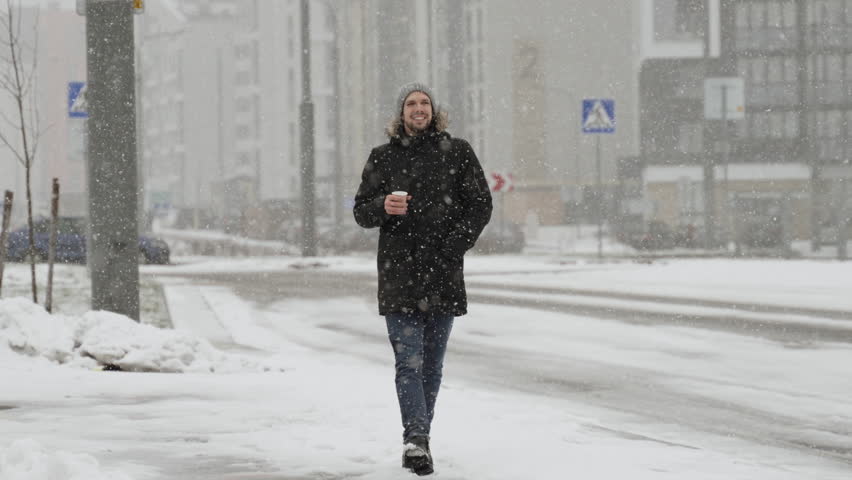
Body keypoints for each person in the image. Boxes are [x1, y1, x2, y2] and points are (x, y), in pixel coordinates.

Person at [353, 82, 492, 475]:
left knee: (431, 365)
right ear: (401, 114)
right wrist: (383, 205)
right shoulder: (382, 158)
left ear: (434, 111)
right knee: (408, 363)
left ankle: (420, 438)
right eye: (411, 103)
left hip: (443, 273)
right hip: (398, 273)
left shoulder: (458, 152)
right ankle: (415, 438)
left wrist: (453, 247)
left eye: (425, 103)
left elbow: (481, 204)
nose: (419, 108)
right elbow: (361, 212)